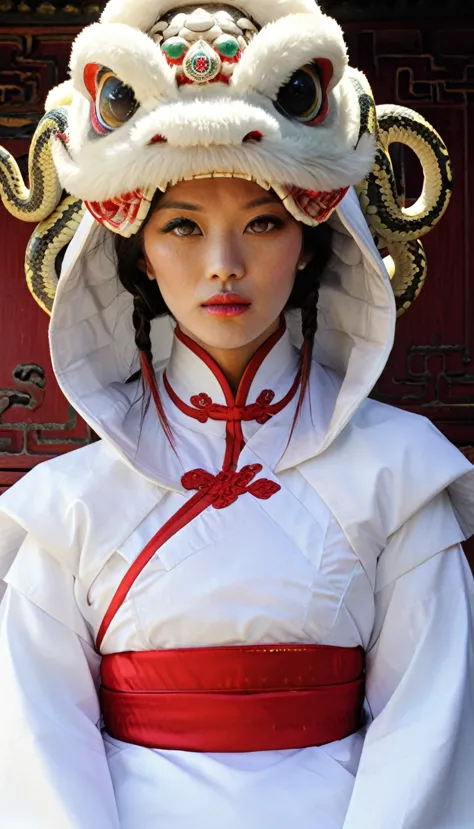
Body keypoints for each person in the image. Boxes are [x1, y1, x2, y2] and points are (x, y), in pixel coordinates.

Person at [0, 2, 473, 828]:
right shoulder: (66, 507)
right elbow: (39, 752)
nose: (224, 266)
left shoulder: (399, 477)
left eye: (263, 223)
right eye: (183, 226)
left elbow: (428, 737)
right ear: (137, 251)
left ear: (313, 240)